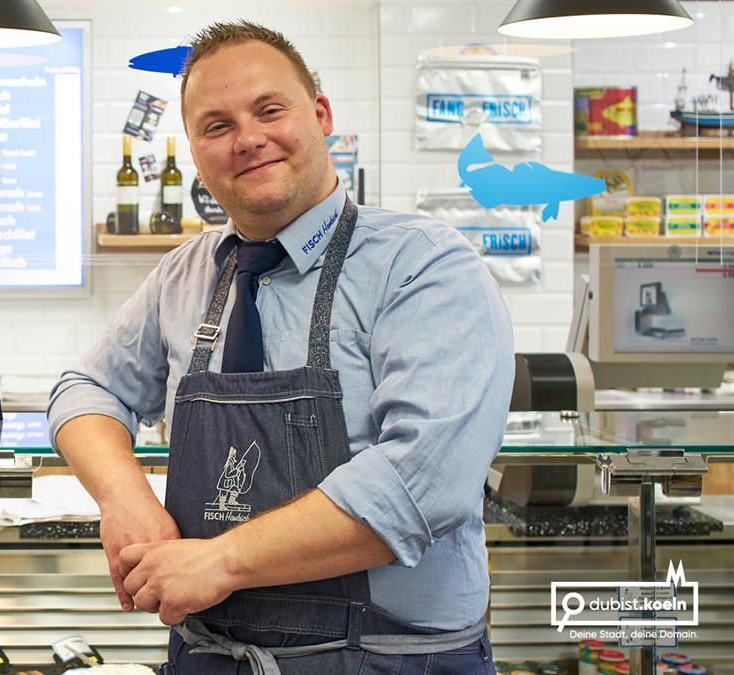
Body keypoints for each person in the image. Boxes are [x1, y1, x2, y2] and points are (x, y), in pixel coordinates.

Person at [48, 20, 514, 674]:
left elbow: (423, 483)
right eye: (216, 126)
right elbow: (85, 389)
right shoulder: (185, 275)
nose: (247, 139)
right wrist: (123, 498)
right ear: (195, 153)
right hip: (210, 655)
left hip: (389, 662)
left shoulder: (423, 265)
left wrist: (219, 562)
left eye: (269, 110)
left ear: (320, 116)